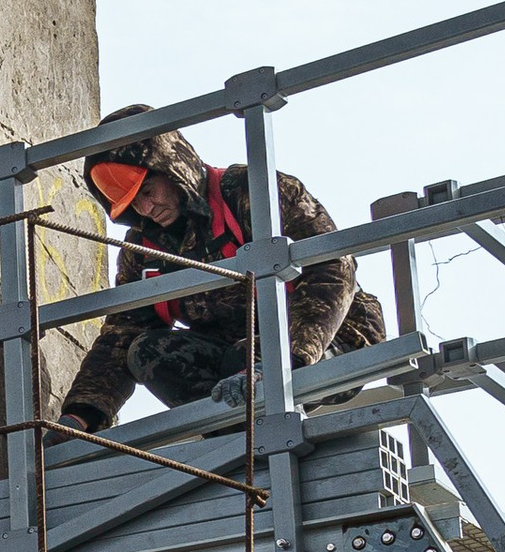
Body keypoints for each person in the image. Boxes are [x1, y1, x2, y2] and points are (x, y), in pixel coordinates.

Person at [61, 103, 385, 434]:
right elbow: (122, 331)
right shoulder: (144, 249)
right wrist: (81, 414)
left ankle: (260, 429)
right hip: (236, 363)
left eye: (147, 191)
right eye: (133, 204)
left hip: (328, 341)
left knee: (245, 357)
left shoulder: (253, 193)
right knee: (147, 353)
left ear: (174, 169)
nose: (146, 208)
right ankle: (236, 443)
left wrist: (282, 362)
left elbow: (331, 270)